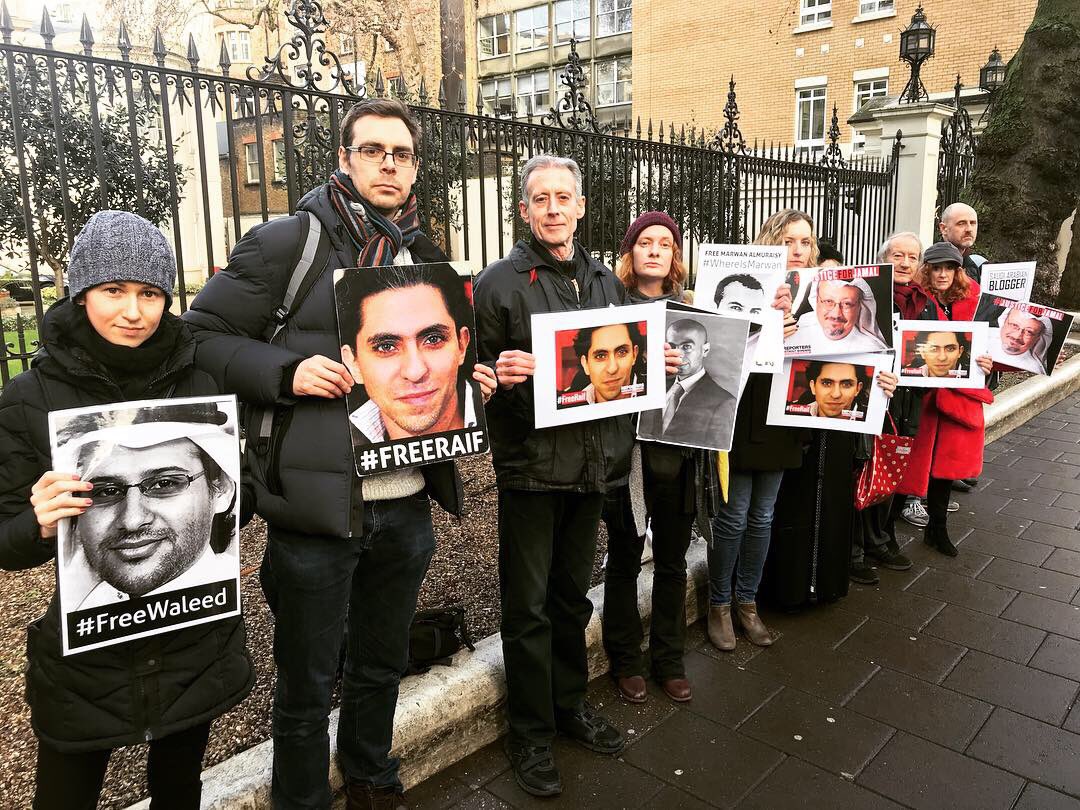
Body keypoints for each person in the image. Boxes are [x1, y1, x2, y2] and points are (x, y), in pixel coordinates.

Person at [183, 99, 496, 810]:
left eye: (402, 154)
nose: (389, 164)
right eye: (373, 150)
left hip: (406, 504)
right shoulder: (287, 244)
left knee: (381, 664)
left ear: (415, 167)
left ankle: (370, 776)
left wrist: (468, 385)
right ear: (345, 159)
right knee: (306, 685)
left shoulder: (424, 257)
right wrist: (286, 372)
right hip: (317, 513)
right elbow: (197, 338)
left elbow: (434, 366)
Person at [0, 210, 253, 810]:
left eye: (150, 293)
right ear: (80, 293)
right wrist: (37, 523)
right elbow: (6, 540)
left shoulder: (199, 384)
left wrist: (233, 479)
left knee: (179, 790)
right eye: (113, 290)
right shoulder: (32, 397)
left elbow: (234, 516)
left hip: (192, 644)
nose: (133, 312)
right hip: (87, 663)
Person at [472, 155, 638, 798]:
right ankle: (531, 732)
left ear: (581, 206)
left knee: (572, 599)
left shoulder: (605, 280)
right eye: (540, 199)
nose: (553, 209)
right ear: (524, 210)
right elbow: (473, 382)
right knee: (528, 607)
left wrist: (657, 364)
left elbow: (623, 367)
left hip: (593, 469)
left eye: (563, 197)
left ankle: (569, 705)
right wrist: (498, 379)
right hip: (533, 470)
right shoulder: (498, 284)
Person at [600, 211, 722, 708]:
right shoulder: (608, 307)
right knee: (624, 558)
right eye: (645, 242)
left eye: (665, 243)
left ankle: (669, 660)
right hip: (628, 457)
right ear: (629, 253)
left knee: (672, 560)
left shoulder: (695, 310)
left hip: (680, 456)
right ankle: (625, 659)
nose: (654, 250)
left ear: (675, 256)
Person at [762, 234, 898, 611]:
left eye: (847, 303)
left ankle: (826, 584)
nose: (837, 312)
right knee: (788, 507)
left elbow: (877, 371)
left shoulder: (868, 332)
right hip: (787, 433)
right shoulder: (785, 315)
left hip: (838, 435)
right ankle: (785, 590)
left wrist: (886, 383)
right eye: (828, 302)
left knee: (833, 506)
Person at [706, 209, 805, 651]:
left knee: (764, 516)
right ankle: (719, 605)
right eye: (788, 241)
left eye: (805, 242)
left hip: (782, 418)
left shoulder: (816, 296)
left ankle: (747, 602)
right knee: (733, 516)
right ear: (770, 242)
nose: (797, 250)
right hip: (742, 412)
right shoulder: (745, 285)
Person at [60, 412, 238, 609]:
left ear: (222, 490)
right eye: (107, 491)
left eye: (164, 484)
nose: (132, 520)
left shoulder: (227, 594)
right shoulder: (84, 607)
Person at [901, 240, 994, 557]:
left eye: (949, 268)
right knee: (913, 463)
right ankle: (888, 531)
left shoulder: (976, 302)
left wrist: (986, 363)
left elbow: (992, 348)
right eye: (936, 268)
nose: (942, 274)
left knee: (944, 467)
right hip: (923, 397)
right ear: (927, 270)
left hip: (958, 398)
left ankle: (937, 528)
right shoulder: (916, 299)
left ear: (958, 271)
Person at [336, 263, 481, 442]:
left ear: (462, 345)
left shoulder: (499, 420)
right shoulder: (335, 445)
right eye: (386, 347)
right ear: (353, 363)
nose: (415, 372)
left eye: (433, 339)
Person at [850, 232, 923, 586]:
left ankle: (879, 540)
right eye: (898, 255)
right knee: (862, 471)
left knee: (889, 472)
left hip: (906, 401)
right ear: (883, 260)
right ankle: (854, 551)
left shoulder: (925, 302)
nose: (905, 263)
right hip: (870, 397)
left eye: (912, 257)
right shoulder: (864, 295)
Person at [638, 317, 738, 444]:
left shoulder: (724, 403)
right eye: (673, 346)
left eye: (686, 347)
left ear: (705, 350)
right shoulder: (654, 387)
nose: (678, 354)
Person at [786, 277, 889, 352]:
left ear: (859, 307)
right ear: (816, 301)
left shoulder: (872, 350)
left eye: (847, 304)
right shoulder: (797, 328)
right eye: (828, 301)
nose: (836, 314)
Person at [568, 322, 643, 404]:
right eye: (600, 356)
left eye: (622, 352)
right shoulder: (569, 404)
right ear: (585, 364)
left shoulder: (652, 389)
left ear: (634, 354)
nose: (612, 369)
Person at [993, 307, 1053, 374]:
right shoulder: (984, 334)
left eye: (1029, 332)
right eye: (1014, 325)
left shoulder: (1034, 370)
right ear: (1004, 321)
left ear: (1037, 338)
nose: (1017, 336)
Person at [939, 202, 986, 285]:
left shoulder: (973, 266)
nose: (969, 229)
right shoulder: (931, 266)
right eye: (961, 224)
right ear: (943, 228)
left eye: (972, 223)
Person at [909, 330, 973, 378]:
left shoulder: (973, 375)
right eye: (933, 349)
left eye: (950, 349)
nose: (942, 358)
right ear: (922, 352)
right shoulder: (908, 376)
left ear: (960, 352)